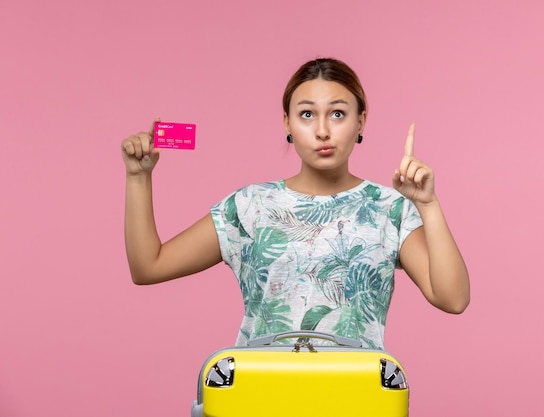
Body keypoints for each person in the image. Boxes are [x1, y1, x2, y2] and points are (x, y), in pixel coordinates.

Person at [121, 58, 470, 350]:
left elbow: (452, 299)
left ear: (360, 121)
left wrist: (428, 204)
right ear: (287, 122)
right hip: (259, 395)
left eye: (337, 114)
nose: (321, 130)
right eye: (306, 114)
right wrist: (139, 178)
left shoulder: (389, 208)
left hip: (357, 398)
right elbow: (148, 267)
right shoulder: (251, 206)